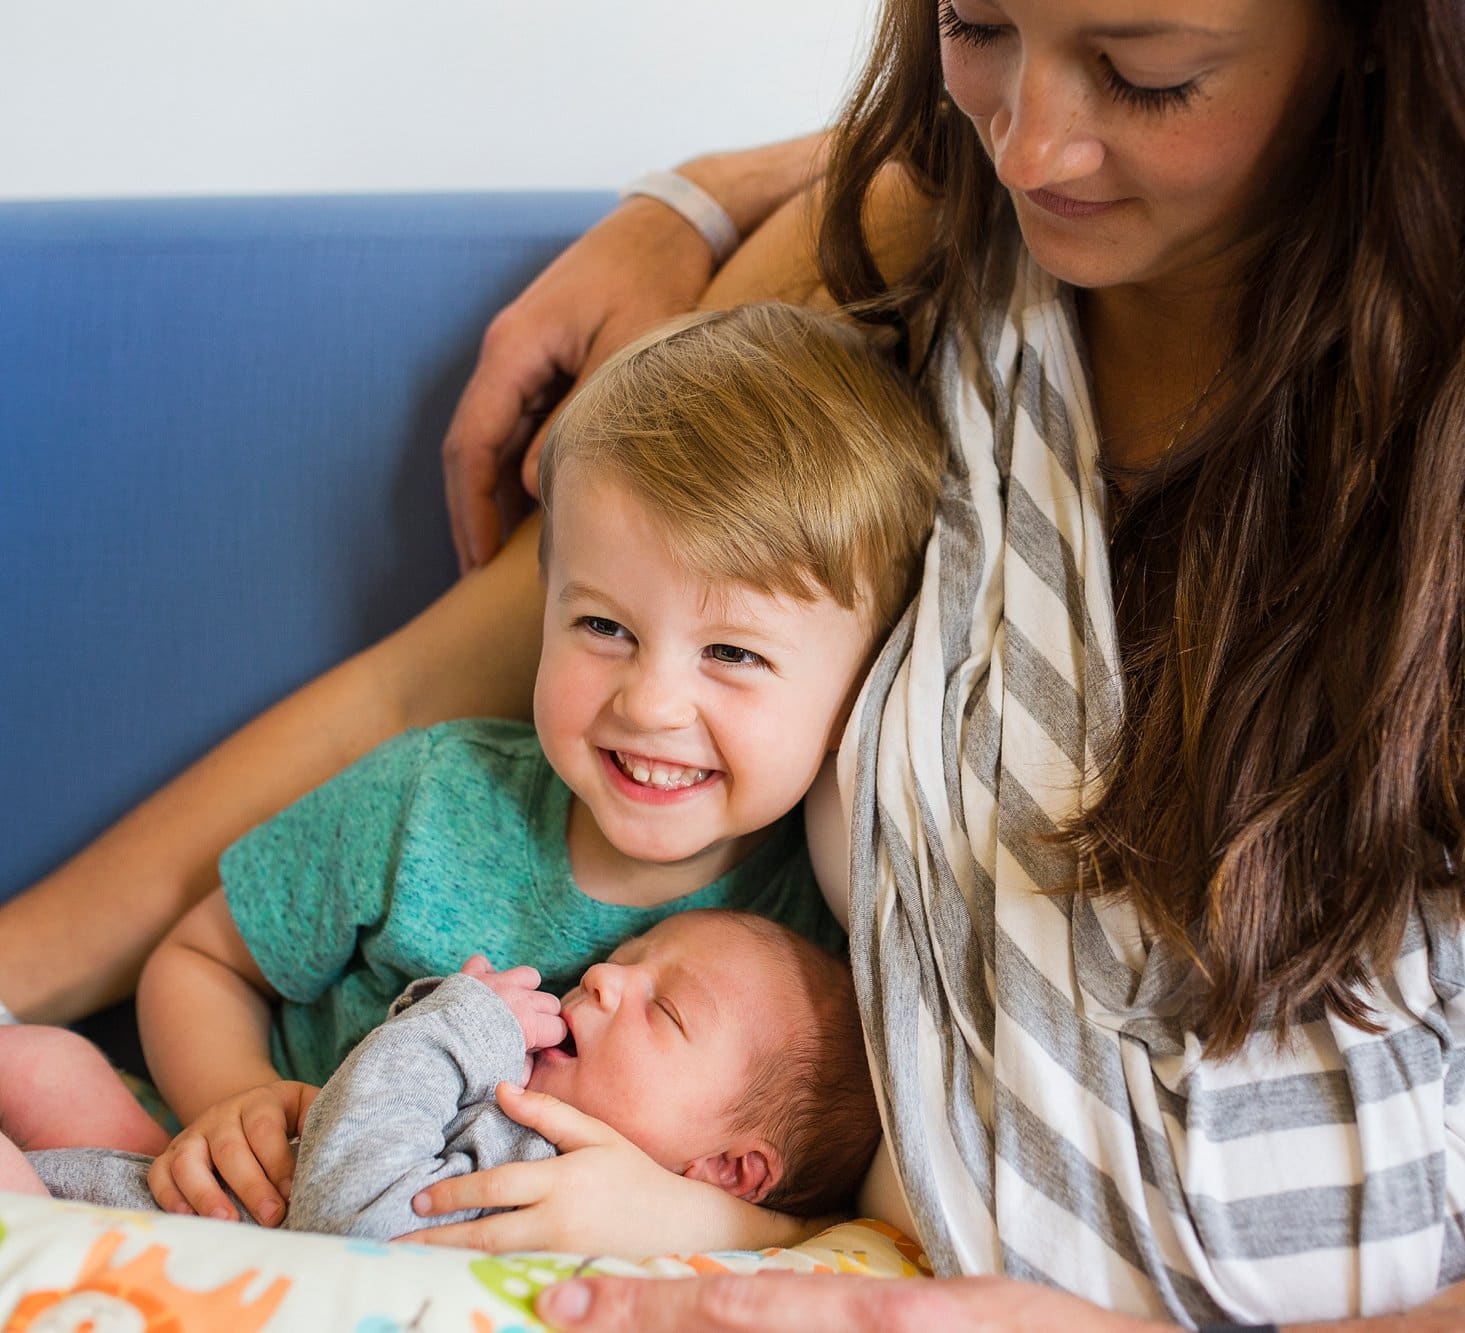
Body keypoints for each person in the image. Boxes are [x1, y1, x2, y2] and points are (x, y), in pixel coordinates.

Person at [0, 0, 1465, 1325]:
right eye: (979, 27)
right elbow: (419, 689)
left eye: (1145, 69)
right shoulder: (886, 267)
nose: (1035, 140)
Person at [5, 301, 940, 1234]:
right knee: (46, 1072)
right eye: (603, 626)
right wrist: (239, 1099)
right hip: (222, 1188)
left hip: (447, 1259)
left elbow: (820, 1204)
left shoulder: (811, 953)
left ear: (857, 703)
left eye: (732, 654)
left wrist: (698, 1219)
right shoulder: (431, 800)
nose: (650, 703)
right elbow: (203, 957)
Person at [0, 910, 880, 1242]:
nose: (607, 978)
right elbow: (376, 1093)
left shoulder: (556, 1203)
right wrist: (444, 1024)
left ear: (731, 1170)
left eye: (666, 1009)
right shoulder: (528, 1102)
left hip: (112, 1256)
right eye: (629, 957)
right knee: (51, 1065)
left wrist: (455, 1030)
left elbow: (353, 1224)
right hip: (185, 1191)